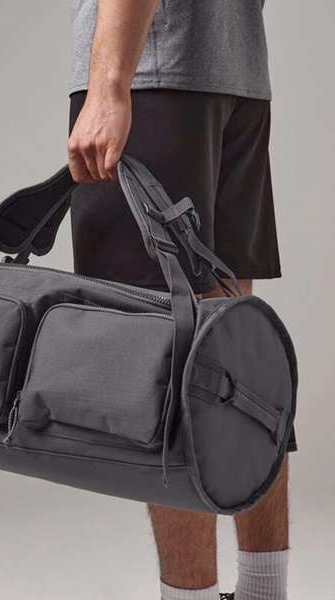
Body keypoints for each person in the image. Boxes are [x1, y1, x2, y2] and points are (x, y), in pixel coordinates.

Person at [67, 2, 296, 599]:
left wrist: (109, 83)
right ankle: (265, 591)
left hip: (154, 73)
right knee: (236, 361)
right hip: (235, 74)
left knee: (163, 367)